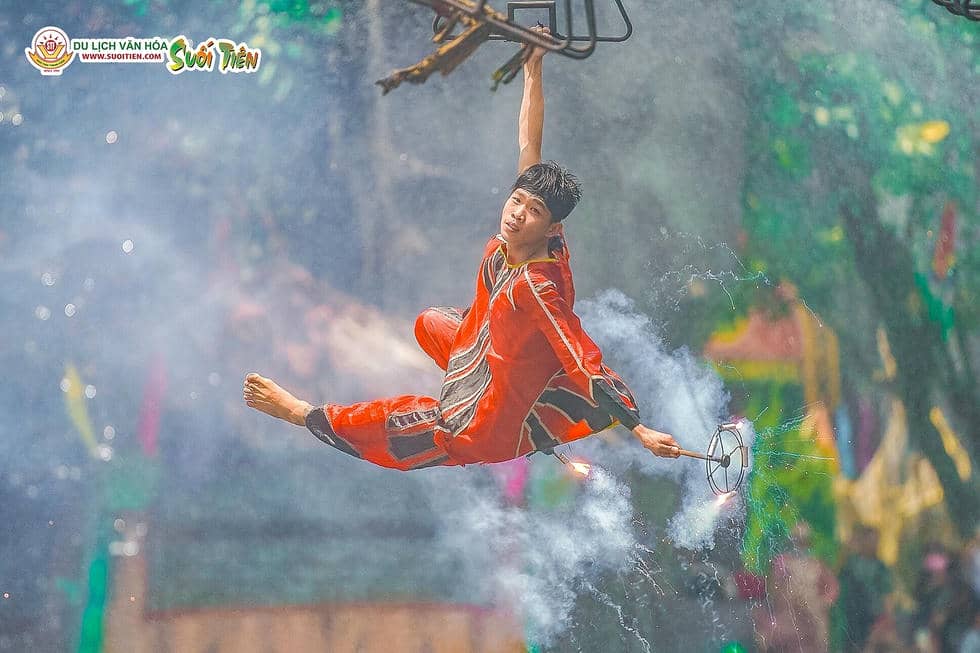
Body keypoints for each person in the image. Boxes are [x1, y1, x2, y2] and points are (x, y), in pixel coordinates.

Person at [243, 27, 681, 470]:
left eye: (532, 211)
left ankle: (303, 414)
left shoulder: (538, 286)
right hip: (495, 356)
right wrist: (533, 67)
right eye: (516, 200)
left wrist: (639, 430)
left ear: (553, 228)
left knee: (401, 423)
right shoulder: (528, 233)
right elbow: (529, 143)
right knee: (430, 323)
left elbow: (578, 354)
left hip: (482, 427)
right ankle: (513, 394)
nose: (516, 214)